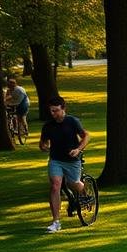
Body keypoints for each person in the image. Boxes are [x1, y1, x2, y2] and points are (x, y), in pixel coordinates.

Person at [39, 97, 90, 233]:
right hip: (56, 160)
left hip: (72, 161)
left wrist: (78, 149)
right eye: (51, 111)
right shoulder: (48, 126)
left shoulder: (72, 121)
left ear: (63, 109)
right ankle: (56, 222)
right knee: (55, 186)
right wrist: (44, 147)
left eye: (56, 110)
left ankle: (84, 192)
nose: (53, 113)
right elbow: (43, 143)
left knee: (73, 184)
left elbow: (86, 136)